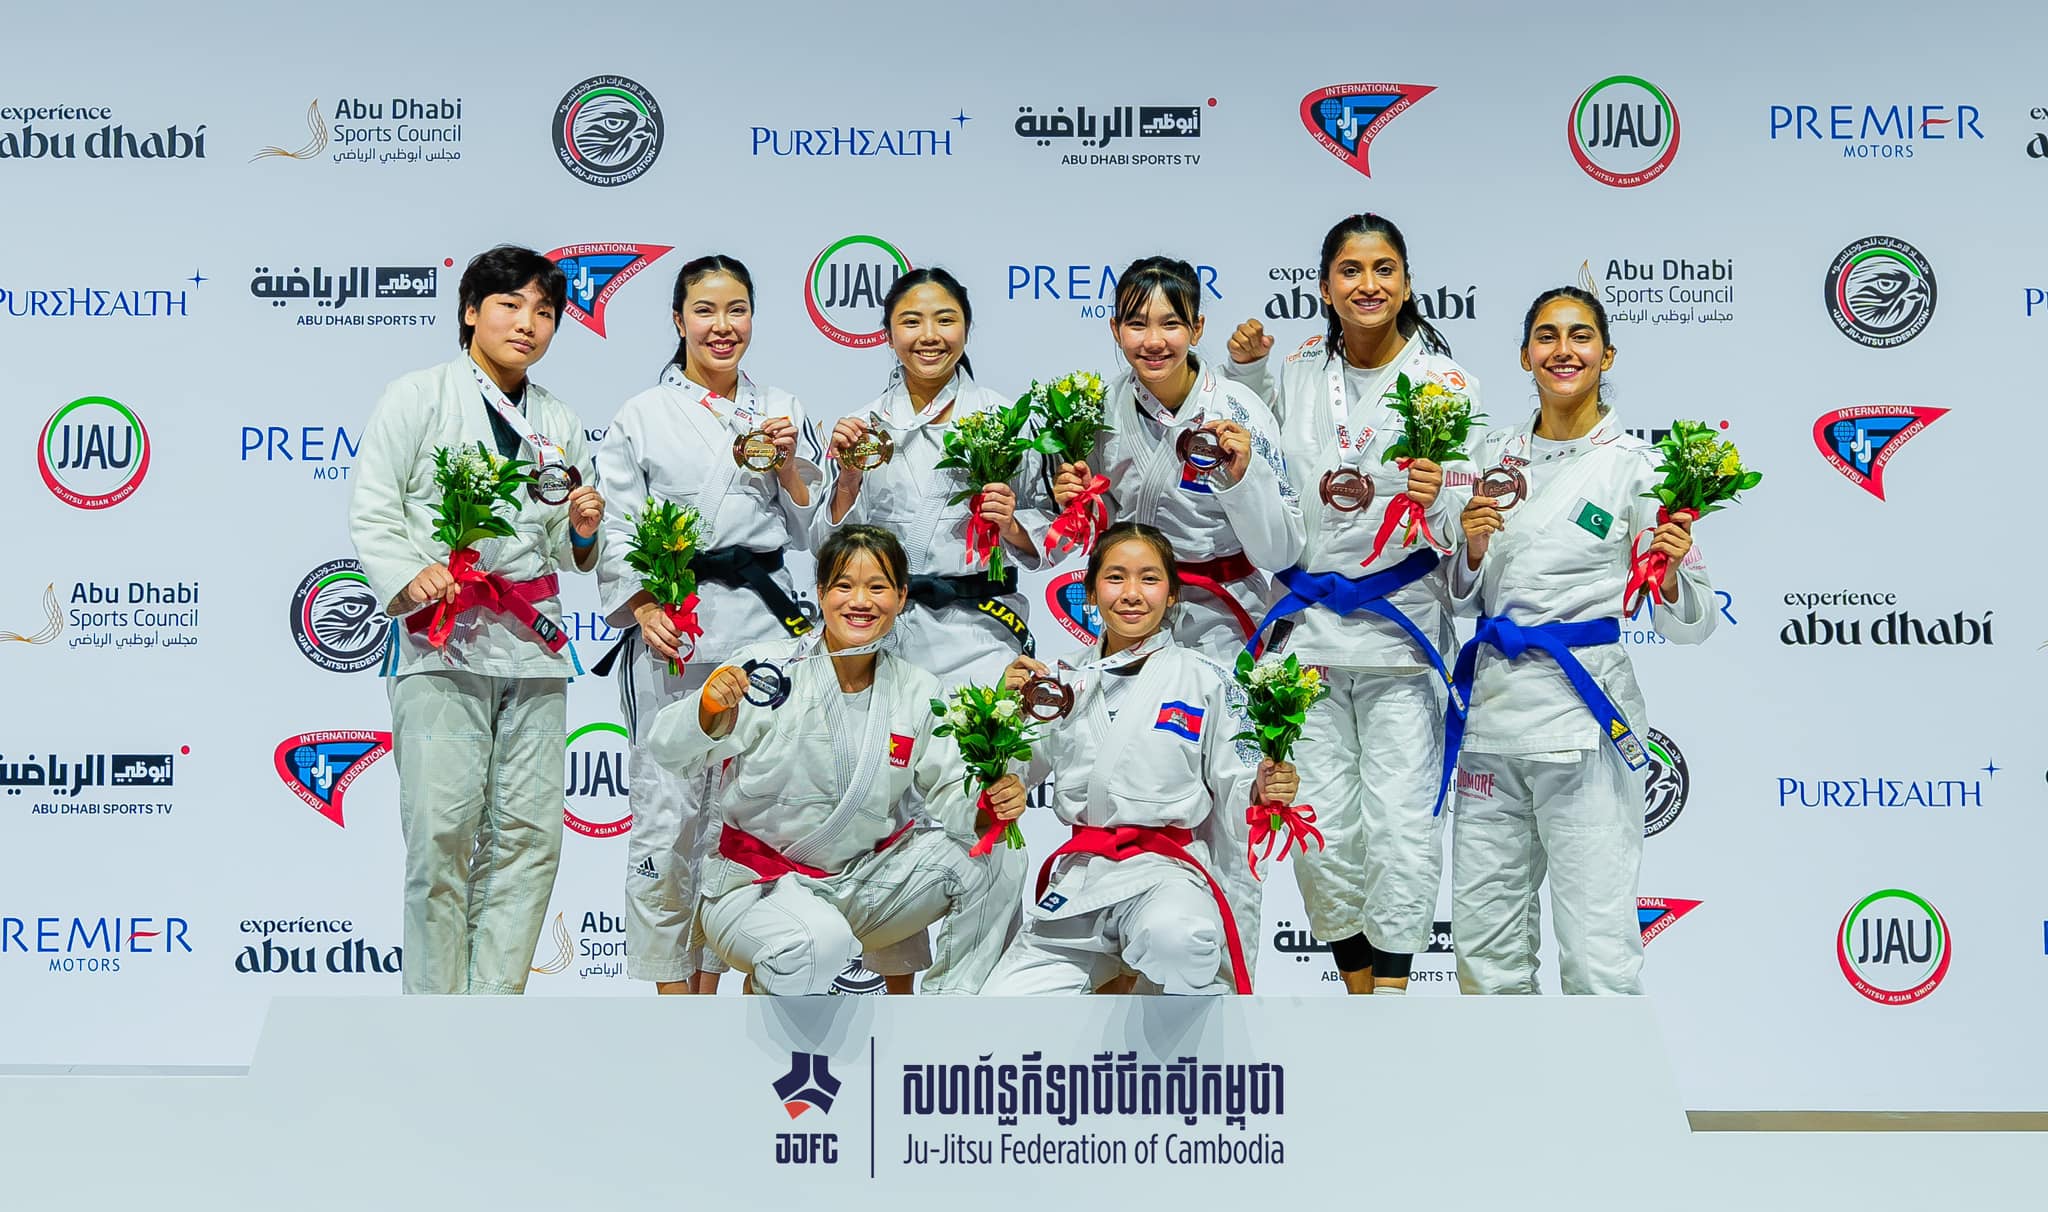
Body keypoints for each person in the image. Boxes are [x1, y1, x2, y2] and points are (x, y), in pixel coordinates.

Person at [1223, 213, 1478, 996]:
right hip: (1307, 641)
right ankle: (1358, 998)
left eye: (1384, 269)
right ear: (1325, 286)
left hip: (1401, 639)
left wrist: (1438, 499)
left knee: (1401, 830)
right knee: (1322, 831)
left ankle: (1391, 1001)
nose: (1369, 284)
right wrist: (1249, 375)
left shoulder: (1446, 385)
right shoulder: (1299, 371)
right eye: (1351, 270)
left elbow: (1462, 530)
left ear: (1407, 282)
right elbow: (1263, 467)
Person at [348, 245, 604, 994]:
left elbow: (568, 547)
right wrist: (411, 574)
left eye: (544, 312)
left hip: (532, 643)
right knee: (442, 834)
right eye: (510, 305)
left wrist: (582, 530)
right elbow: (374, 508)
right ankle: (435, 1018)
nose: (528, 324)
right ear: (470, 311)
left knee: (532, 837)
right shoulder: (417, 396)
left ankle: (494, 1014)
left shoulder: (558, 420)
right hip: (443, 639)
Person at [1448, 287, 1716, 995]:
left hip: (1584, 716)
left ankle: (1610, 1076)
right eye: (1546, 336)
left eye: (1580, 336)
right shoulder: (1489, 455)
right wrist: (1469, 548)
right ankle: (1504, 1075)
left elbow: (1691, 621)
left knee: (1597, 950)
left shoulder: (1640, 467)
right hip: (1492, 716)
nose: (1563, 350)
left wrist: (1668, 571)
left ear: (1607, 355)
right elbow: (1461, 595)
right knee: (1484, 951)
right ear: (1524, 356)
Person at [644, 525, 1026, 995]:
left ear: (902, 597)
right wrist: (707, 709)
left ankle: (949, 1010)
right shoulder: (766, 668)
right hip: (755, 889)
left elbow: (953, 794)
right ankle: (766, 996)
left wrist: (990, 802)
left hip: (860, 889)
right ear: (821, 593)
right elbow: (666, 749)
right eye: (844, 585)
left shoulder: (917, 688)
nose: (860, 601)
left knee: (999, 854)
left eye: (878, 587)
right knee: (817, 941)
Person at [592, 255, 823, 996]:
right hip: (674, 630)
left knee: (746, 819)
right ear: (677, 319)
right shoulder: (641, 415)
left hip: (765, 632)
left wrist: (789, 468)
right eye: (705, 310)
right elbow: (617, 529)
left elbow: (816, 530)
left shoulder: (782, 408)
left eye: (737, 310)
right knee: (667, 816)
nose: (723, 326)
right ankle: (671, 1003)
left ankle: (724, 999)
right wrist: (645, 607)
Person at [818, 268, 1041, 989]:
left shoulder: (1003, 418)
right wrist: (845, 480)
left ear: (967, 329)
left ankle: (973, 996)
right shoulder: (862, 426)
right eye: (911, 321)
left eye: (945, 320)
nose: (929, 335)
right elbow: (828, 539)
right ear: (886, 333)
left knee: (989, 810)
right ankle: (895, 994)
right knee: (894, 815)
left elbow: (1053, 536)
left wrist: (1014, 521)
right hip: (890, 641)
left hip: (982, 638)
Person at [982, 523, 1287, 995]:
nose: (1131, 593)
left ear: (1172, 594)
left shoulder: (1208, 680)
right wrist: (1002, 717)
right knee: (1007, 1008)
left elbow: (1241, 798)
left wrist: (1266, 791)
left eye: (1149, 578)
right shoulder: (1058, 682)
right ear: (1090, 591)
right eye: (1115, 577)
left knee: (1180, 944)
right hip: (1081, 877)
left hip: (1168, 873)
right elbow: (1017, 772)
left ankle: (1155, 1019)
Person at [1049, 257, 1303, 658]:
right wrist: (1080, 501)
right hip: (1133, 608)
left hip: (1220, 616)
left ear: (1196, 328)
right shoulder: (1099, 408)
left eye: (1170, 324)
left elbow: (1281, 553)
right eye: (1137, 324)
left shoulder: (1240, 411)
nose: (1153, 341)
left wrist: (1245, 480)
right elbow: (1101, 517)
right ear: (1115, 329)